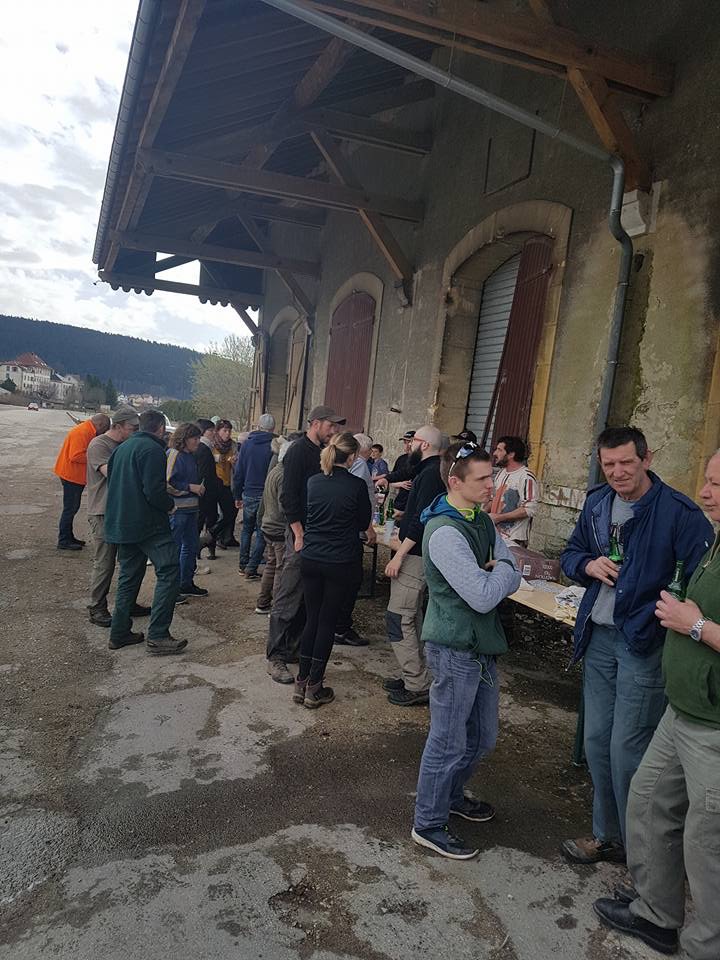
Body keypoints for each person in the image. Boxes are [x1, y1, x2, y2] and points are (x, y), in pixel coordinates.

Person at [560, 426, 713, 865]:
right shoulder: (597, 503)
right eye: (609, 464)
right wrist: (587, 564)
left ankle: (642, 856)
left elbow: (698, 587)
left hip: (643, 645)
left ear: (647, 459)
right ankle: (607, 836)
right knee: (596, 742)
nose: (618, 472)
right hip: (599, 638)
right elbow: (570, 554)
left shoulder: (681, 514)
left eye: (627, 462)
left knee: (628, 750)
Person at [592, 449, 720, 959]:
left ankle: (705, 946)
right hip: (683, 708)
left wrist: (695, 625)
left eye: (717, 484)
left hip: (713, 724)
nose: (705, 492)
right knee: (647, 802)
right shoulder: (716, 538)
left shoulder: (683, 517)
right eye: (707, 480)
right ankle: (657, 914)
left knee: (707, 844)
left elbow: (696, 618)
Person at [412, 442, 520, 859]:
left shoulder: (481, 520)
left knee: (482, 737)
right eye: (483, 478)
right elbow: (482, 595)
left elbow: (509, 567)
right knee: (448, 740)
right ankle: (428, 823)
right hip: (455, 647)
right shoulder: (444, 532)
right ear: (455, 482)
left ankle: (452, 796)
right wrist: (502, 572)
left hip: (482, 646)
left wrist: (500, 570)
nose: (492, 484)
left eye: (492, 475)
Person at [266, 405, 346, 684]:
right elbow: (288, 497)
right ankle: (275, 657)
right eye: (330, 425)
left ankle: (294, 648)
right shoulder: (299, 451)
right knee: (288, 594)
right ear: (315, 423)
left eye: (336, 426)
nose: (334, 430)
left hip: (318, 534)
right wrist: (298, 533)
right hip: (300, 534)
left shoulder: (323, 451)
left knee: (307, 597)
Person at [293, 432, 371, 708]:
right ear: (352, 457)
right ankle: (315, 686)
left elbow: (305, 514)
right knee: (326, 621)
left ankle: (301, 680)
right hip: (339, 560)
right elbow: (363, 522)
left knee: (312, 619)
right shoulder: (356, 485)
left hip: (311, 557)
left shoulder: (313, 481)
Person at [104, 409, 187, 656]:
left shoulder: (121, 448)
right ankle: (158, 635)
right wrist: (169, 506)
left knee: (128, 576)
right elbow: (154, 490)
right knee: (169, 570)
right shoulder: (152, 450)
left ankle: (119, 633)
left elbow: (115, 482)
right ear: (160, 428)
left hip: (122, 522)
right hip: (148, 525)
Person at [384, 425, 446, 706]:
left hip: (416, 556)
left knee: (399, 617)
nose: (409, 446)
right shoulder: (429, 470)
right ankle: (416, 674)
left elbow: (422, 520)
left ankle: (416, 683)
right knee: (412, 616)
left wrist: (399, 554)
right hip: (417, 554)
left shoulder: (432, 475)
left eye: (414, 441)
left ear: (426, 445)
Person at [86, 405, 151, 627]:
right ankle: (97, 607)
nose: (135, 432)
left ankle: (127, 603)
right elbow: (114, 473)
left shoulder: (126, 444)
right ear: (118, 426)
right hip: (103, 512)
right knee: (105, 563)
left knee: (132, 561)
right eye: (132, 428)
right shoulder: (99, 445)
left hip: (125, 511)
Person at [334, 432, 377, 647]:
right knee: (350, 582)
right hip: (349, 537)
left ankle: (335, 625)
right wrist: (368, 527)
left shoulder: (318, 481)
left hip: (332, 540)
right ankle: (341, 628)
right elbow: (356, 503)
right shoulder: (358, 468)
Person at [53, 413, 110, 550]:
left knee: (73, 508)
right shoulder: (83, 432)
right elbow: (76, 455)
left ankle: (68, 536)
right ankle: (64, 540)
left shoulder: (87, 429)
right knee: (70, 509)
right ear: (100, 425)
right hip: (71, 476)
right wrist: (96, 456)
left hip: (73, 475)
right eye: (105, 429)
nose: (104, 433)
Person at [166, 422, 208, 599]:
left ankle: (186, 583)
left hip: (192, 508)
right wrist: (191, 487)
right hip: (178, 509)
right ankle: (171, 589)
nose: (198, 442)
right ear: (184, 439)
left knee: (191, 547)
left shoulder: (190, 455)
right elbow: (167, 482)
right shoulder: (174, 455)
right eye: (195, 438)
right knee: (175, 549)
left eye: (199, 438)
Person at [233, 413, 276, 580]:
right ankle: (252, 567)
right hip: (266, 495)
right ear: (273, 428)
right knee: (261, 532)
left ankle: (242, 565)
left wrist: (237, 494)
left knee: (246, 530)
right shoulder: (274, 446)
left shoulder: (247, 445)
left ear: (258, 426)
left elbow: (239, 472)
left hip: (249, 493)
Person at [255, 436, 292, 615]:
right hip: (278, 527)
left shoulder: (274, 470)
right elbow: (283, 505)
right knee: (280, 568)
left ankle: (262, 603)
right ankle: (277, 607)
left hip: (268, 524)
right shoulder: (284, 475)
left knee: (271, 565)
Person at [488, 436, 538, 547]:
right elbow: (494, 499)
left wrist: (499, 517)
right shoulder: (501, 473)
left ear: (511, 454)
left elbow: (529, 509)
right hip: (494, 535)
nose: (495, 453)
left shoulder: (526, 476)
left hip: (513, 539)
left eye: (499, 450)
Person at [374, 430, 416, 519]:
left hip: (412, 502)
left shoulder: (419, 461)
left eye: (409, 442)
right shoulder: (401, 459)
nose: (407, 445)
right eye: (405, 442)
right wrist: (400, 484)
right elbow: (391, 479)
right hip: (398, 499)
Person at [195, 418, 221, 559]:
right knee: (207, 520)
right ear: (203, 432)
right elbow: (204, 473)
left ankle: (205, 547)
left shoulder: (205, 447)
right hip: (206, 492)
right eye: (210, 430)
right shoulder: (204, 449)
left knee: (205, 519)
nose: (213, 433)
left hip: (206, 491)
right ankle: (201, 547)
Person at [211, 419, 239, 548]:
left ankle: (225, 536)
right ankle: (215, 537)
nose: (227, 434)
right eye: (225, 430)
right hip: (215, 482)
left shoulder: (233, 445)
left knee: (230, 512)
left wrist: (235, 462)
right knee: (217, 513)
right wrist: (216, 459)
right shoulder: (212, 444)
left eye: (229, 431)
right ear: (217, 431)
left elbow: (237, 463)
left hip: (228, 482)